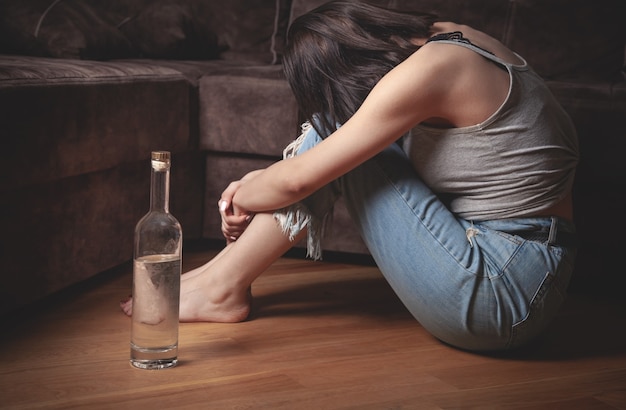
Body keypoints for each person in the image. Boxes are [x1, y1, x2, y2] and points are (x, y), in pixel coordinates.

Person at [122, 1, 579, 352]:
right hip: (530, 274)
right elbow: (300, 173)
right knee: (333, 141)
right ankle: (219, 281)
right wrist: (267, 178)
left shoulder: (430, 71)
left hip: (503, 294)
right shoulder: (450, 39)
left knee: (334, 133)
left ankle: (221, 286)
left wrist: (245, 191)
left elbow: (300, 180)